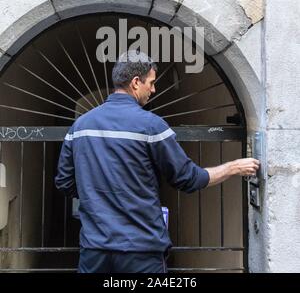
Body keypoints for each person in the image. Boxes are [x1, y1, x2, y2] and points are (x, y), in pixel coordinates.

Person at [55, 51, 259, 273]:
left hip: (94, 249)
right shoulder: (151, 126)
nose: (153, 89)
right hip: (142, 251)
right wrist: (233, 167)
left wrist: (95, 195)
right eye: (151, 83)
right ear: (135, 82)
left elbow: (64, 182)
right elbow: (188, 178)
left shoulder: (80, 127)